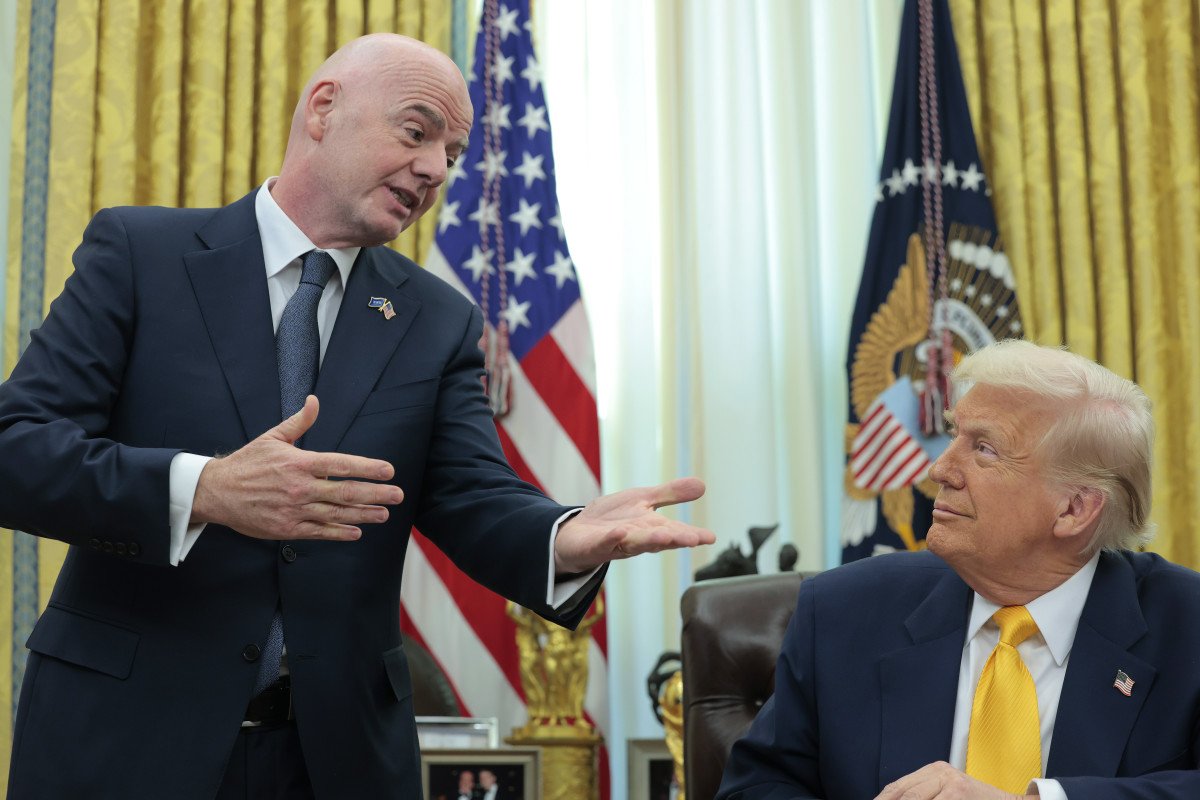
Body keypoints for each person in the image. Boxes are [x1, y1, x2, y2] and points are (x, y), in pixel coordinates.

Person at [0, 33, 714, 799]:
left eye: (451, 153)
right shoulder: (141, 254)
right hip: (126, 741)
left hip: (335, 761)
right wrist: (205, 490)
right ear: (323, 110)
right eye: (416, 132)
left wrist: (564, 536)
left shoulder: (436, 318)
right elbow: (17, 450)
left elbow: (472, 496)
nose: (436, 169)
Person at [718, 340, 1200, 799]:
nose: (939, 469)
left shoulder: (1186, 626)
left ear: (1074, 509)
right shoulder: (843, 611)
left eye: (984, 449)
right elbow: (755, 787)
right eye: (954, 436)